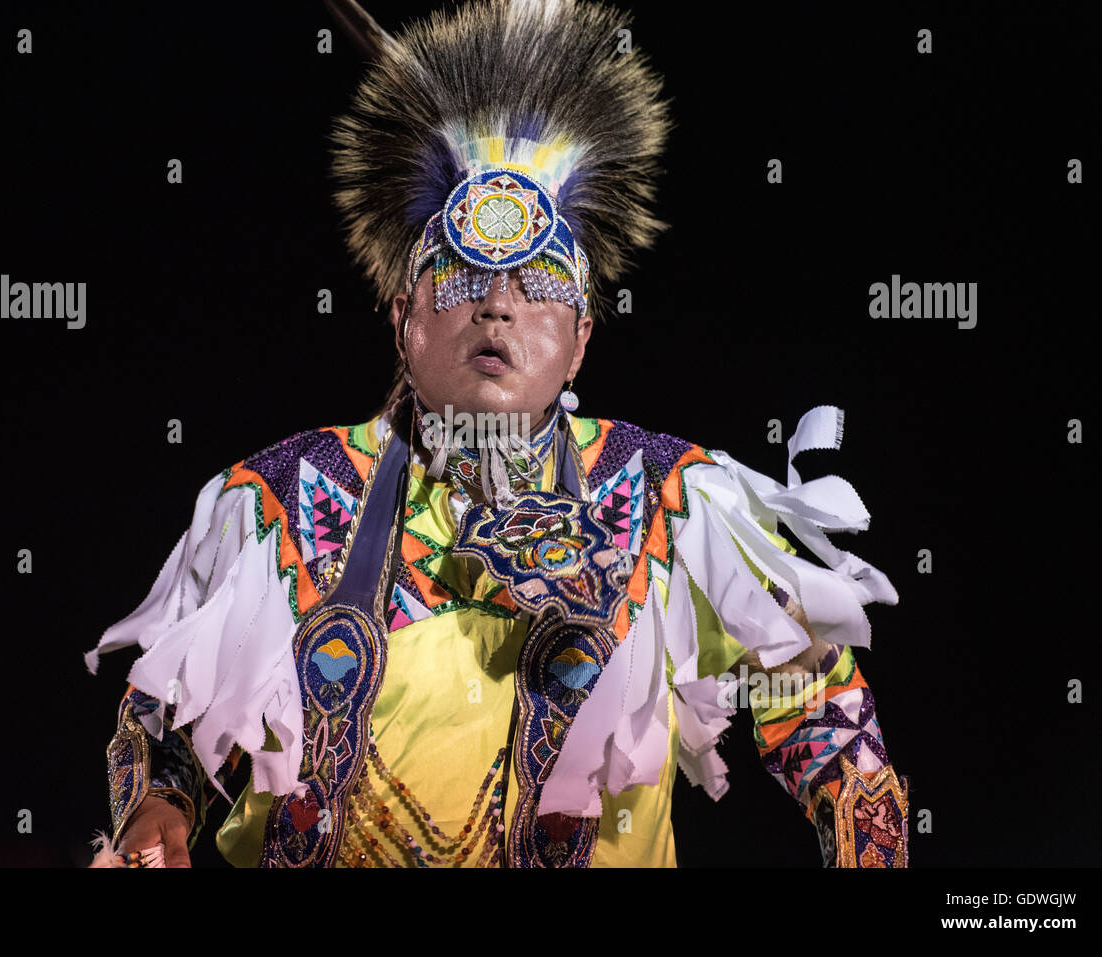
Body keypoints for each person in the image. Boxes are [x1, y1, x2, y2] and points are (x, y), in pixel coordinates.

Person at [86, 0, 908, 869]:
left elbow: (822, 718)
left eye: (537, 280)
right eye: (464, 274)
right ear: (404, 319)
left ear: (582, 334)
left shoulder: (675, 504)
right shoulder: (276, 506)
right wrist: (155, 812)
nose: (498, 303)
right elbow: (168, 728)